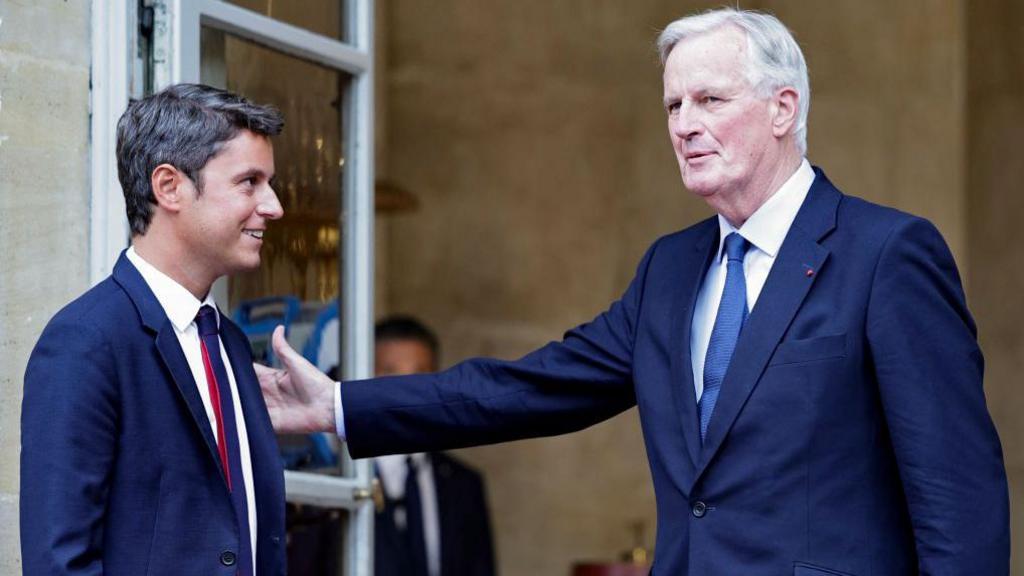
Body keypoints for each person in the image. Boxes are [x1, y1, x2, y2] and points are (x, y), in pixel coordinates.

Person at [257, 8, 1010, 574]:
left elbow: (959, 505)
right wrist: (338, 405)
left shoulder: (887, 254)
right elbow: (527, 388)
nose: (684, 126)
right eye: (673, 107)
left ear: (784, 108)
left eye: (710, 101)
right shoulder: (671, 269)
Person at [21, 84, 287, 576]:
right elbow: (59, 562)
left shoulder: (226, 342)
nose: (273, 206)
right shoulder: (86, 340)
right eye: (249, 182)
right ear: (169, 187)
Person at [371, 316, 496, 576]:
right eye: (389, 373)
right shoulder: (341, 481)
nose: (405, 391)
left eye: (420, 376)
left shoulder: (464, 484)